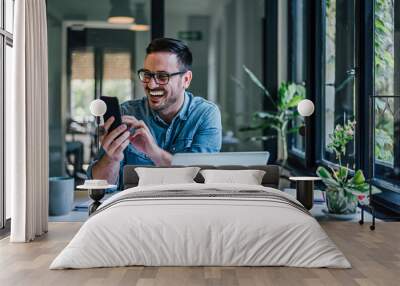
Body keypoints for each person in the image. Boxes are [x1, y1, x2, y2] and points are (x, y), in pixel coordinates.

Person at [87, 38, 222, 188]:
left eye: (162, 76)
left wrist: (154, 152)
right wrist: (112, 158)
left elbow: (201, 180)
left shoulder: (205, 114)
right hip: (134, 207)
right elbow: (98, 185)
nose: (151, 84)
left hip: (186, 206)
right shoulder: (126, 113)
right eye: (147, 75)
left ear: (186, 79)